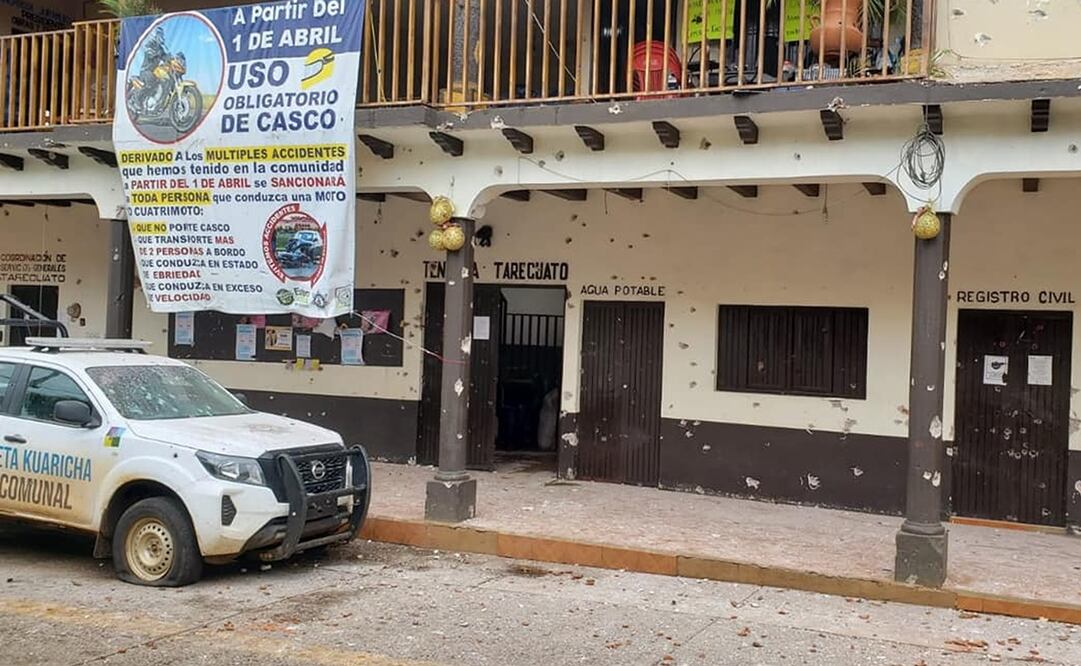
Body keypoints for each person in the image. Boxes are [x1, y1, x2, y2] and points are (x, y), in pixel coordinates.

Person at [133, 27, 169, 112]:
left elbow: (165, 57)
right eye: (159, 35)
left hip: (154, 71)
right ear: (155, 36)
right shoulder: (150, 44)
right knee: (150, 80)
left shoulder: (160, 48)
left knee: (163, 80)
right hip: (146, 70)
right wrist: (157, 53)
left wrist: (170, 59)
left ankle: (158, 103)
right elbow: (149, 53)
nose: (161, 37)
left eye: (161, 35)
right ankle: (136, 101)